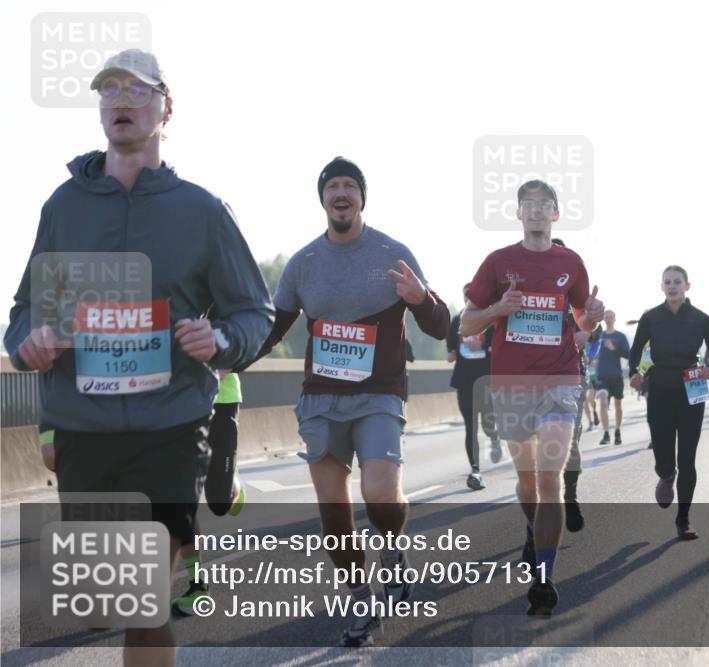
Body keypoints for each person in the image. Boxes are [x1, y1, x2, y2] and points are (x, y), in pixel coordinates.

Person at [3, 49, 273, 666]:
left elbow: (252, 312)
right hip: (85, 428)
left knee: (141, 593)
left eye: (136, 90)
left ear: (166, 107)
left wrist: (222, 342)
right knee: (109, 599)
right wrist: (30, 341)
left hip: (172, 427)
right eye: (108, 91)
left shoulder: (202, 211)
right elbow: (24, 310)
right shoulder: (64, 207)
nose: (120, 101)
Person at [238, 156, 449, 647]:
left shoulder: (393, 253)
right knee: (334, 514)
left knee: (379, 497)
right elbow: (273, 328)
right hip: (322, 399)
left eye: (349, 185)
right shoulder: (304, 263)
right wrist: (230, 360)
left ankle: (392, 547)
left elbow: (439, 327)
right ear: (322, 199)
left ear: (361, 198)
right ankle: (360, 600)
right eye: (332, 185)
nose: (341, 192)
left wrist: (420, 297)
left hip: (378, 395)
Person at [462, 180, 603, 616]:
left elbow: (583, 320)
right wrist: (497, 311)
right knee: (527, 484)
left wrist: (592, 320)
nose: (537, 211)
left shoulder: (571, 262)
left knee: (549, 480)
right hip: (511, 384)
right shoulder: (498, 262)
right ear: (518, 214)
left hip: (560, 381)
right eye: (529, 205)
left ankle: (544, 578)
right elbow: (467, 326)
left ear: (556, 215)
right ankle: (532, 525)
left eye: (546, 206)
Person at [628, 266, 709, 541]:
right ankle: (665, 474)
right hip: (659, 388)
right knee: (663, 454)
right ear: (661, 286)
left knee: (688, 458)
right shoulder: (650, 318)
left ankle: (683, 519)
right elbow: (635, 352)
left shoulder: (702, 320)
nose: (672, 286)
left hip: (691, 387)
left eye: (677, 282)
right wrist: (634, 373)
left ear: (687, 286)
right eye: (668, 282)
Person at [171, 370, 245, 616]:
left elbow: (245, 339)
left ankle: (232, 483)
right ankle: (197, 586)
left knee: (220, 503)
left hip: (221, 400)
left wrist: (226, 363)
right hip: (177, 405)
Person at [446, 284, 500, 490]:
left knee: (487, 423)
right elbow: (451, 348)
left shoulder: (489, 320)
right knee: (471, 426)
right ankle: (475, 469)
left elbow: (498, 348)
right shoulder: (456, 321)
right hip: (464, 381)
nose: (468, 299)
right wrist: (451, 352)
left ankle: (494, 437)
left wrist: (487, 347)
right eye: (465, 296)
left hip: (486, 381)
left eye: (472, 295)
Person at [551, 237, 589, 533]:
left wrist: (588, 330)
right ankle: (534, 526)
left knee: (570, 443)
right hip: (532, 378)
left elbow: (592, 326)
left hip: (572, 376)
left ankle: (570, 496)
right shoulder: (528, 293)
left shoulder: (576, 294)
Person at [594, 310, 630, 445]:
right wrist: (590, 359)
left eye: (611, 317)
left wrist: (614, 348)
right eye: (606, 317)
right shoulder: (599, 337)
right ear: (603, 319)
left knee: (618, 405)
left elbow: (628, 355)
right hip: (602, 376)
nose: (608, 319)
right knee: (602, 401)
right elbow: (592, 352)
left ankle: (617, 431)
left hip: (616, 375)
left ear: (615, 318)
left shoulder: (620, 337)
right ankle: (606, 433)